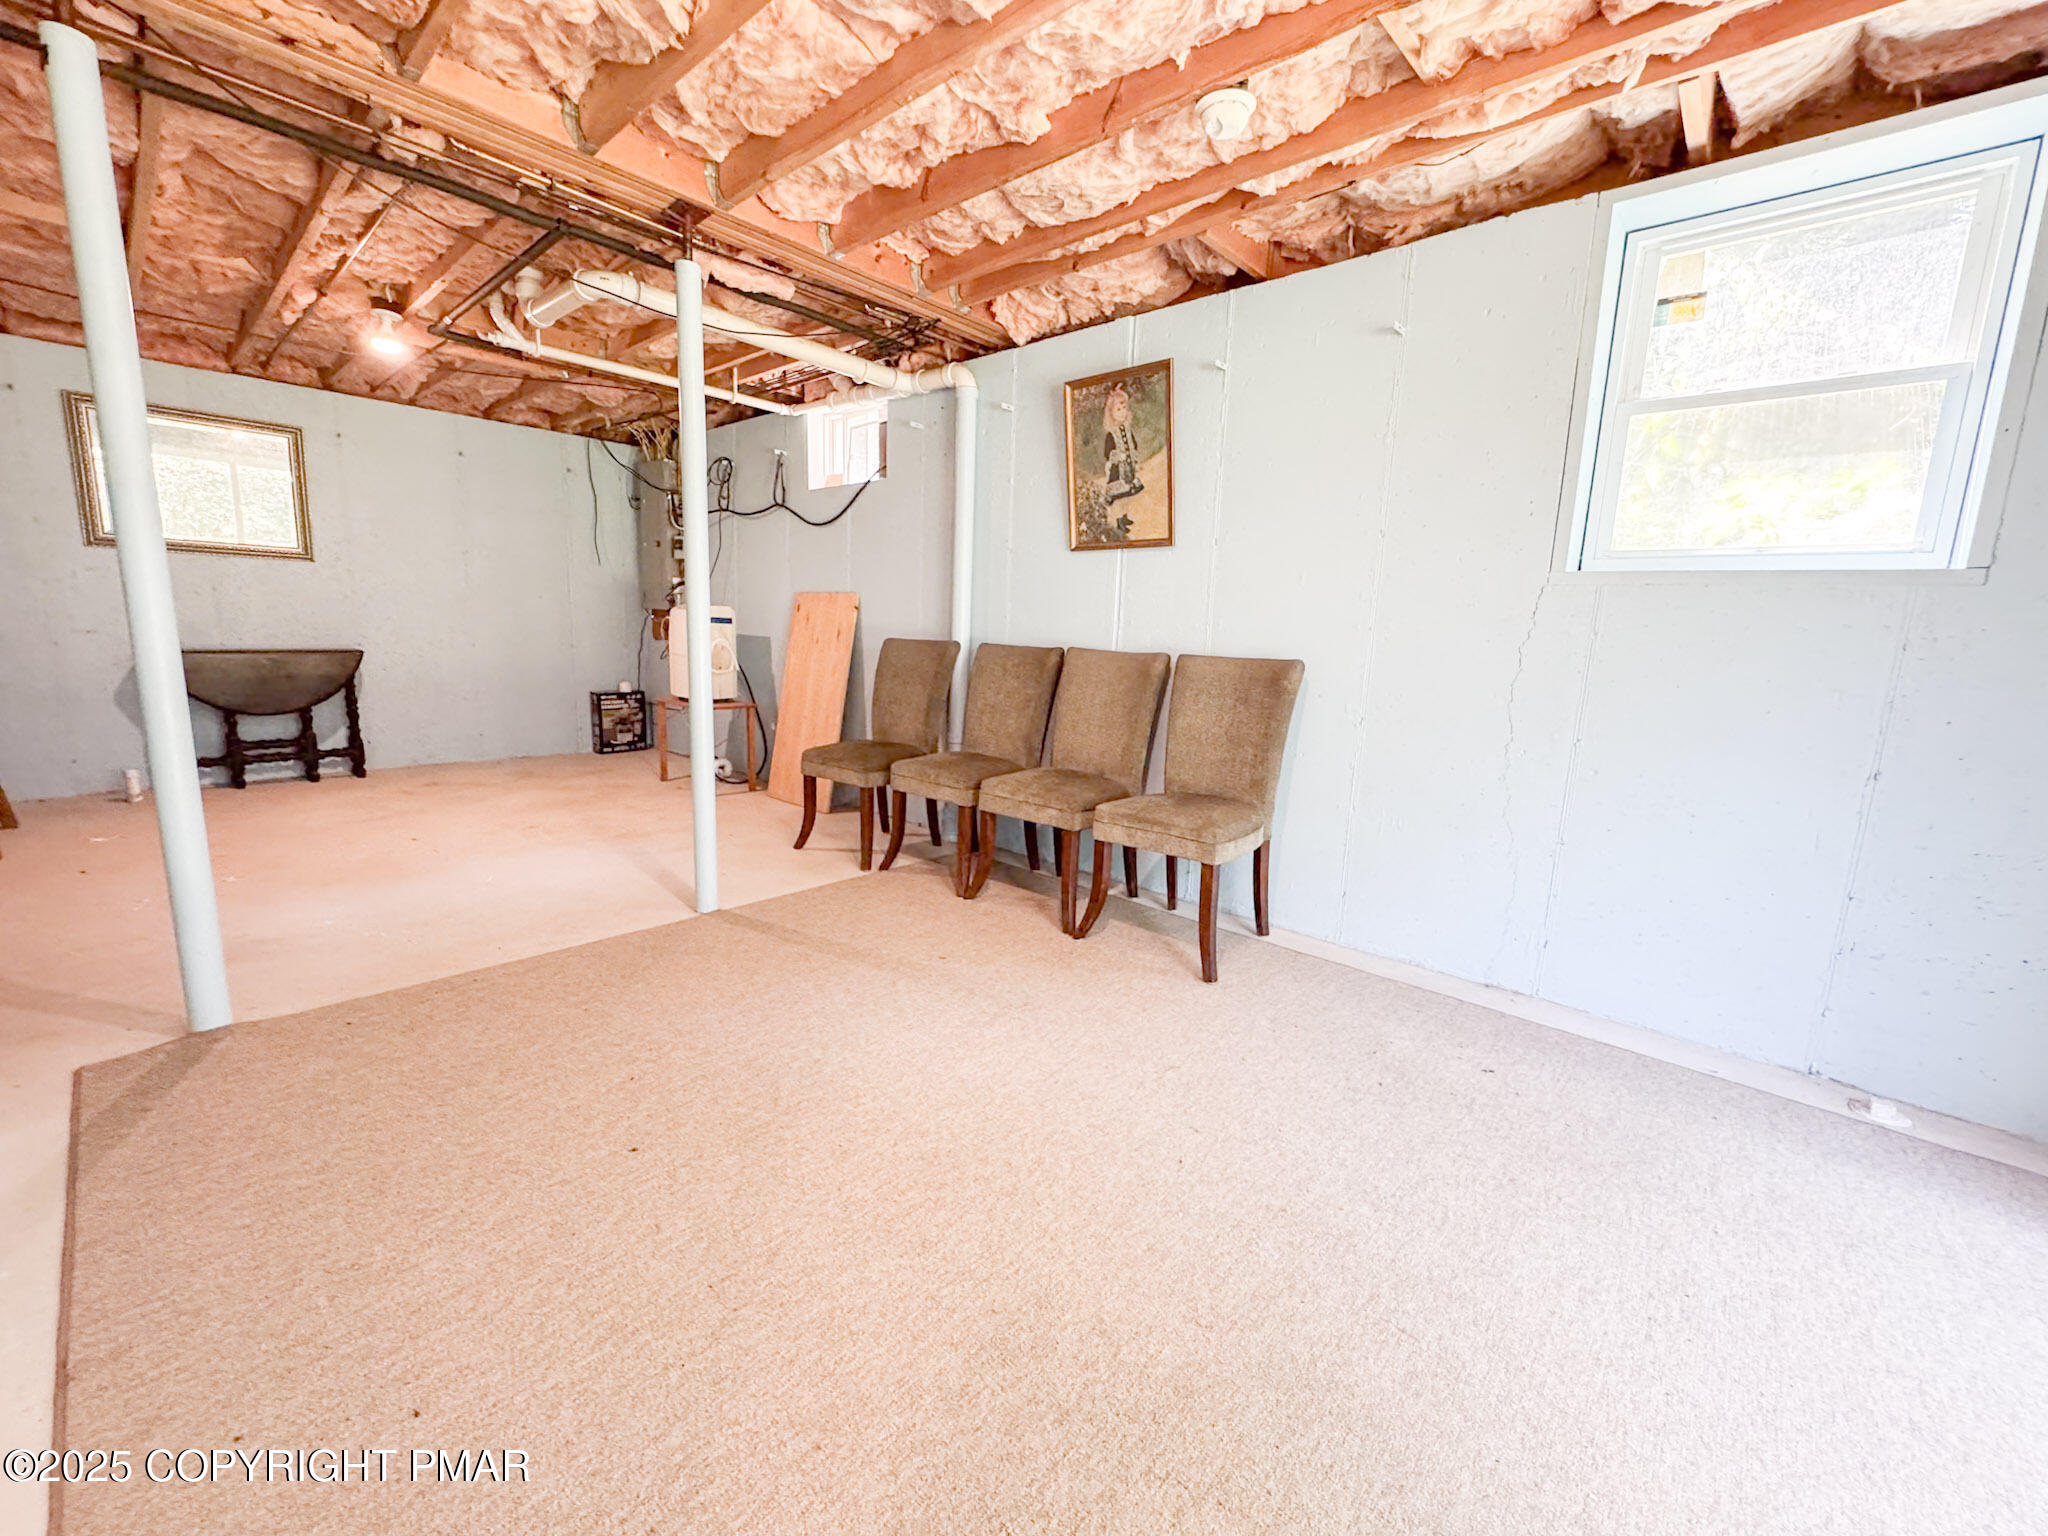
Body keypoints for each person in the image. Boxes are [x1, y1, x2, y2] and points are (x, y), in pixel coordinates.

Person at [1101, 382, 1144, 505]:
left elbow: (1134, 444)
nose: (1122, 412)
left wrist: (1134, 456)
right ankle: (1119, 518)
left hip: (1128, 467)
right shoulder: (1111, 434)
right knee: (1119, 495)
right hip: (1117, 470)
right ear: (1111, 412)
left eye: (1124, 408)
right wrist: (1117, 456)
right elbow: (1107, 453)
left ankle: (1124, 516)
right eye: (1118, 409)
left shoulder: (1127, 430)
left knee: (1128, 495)